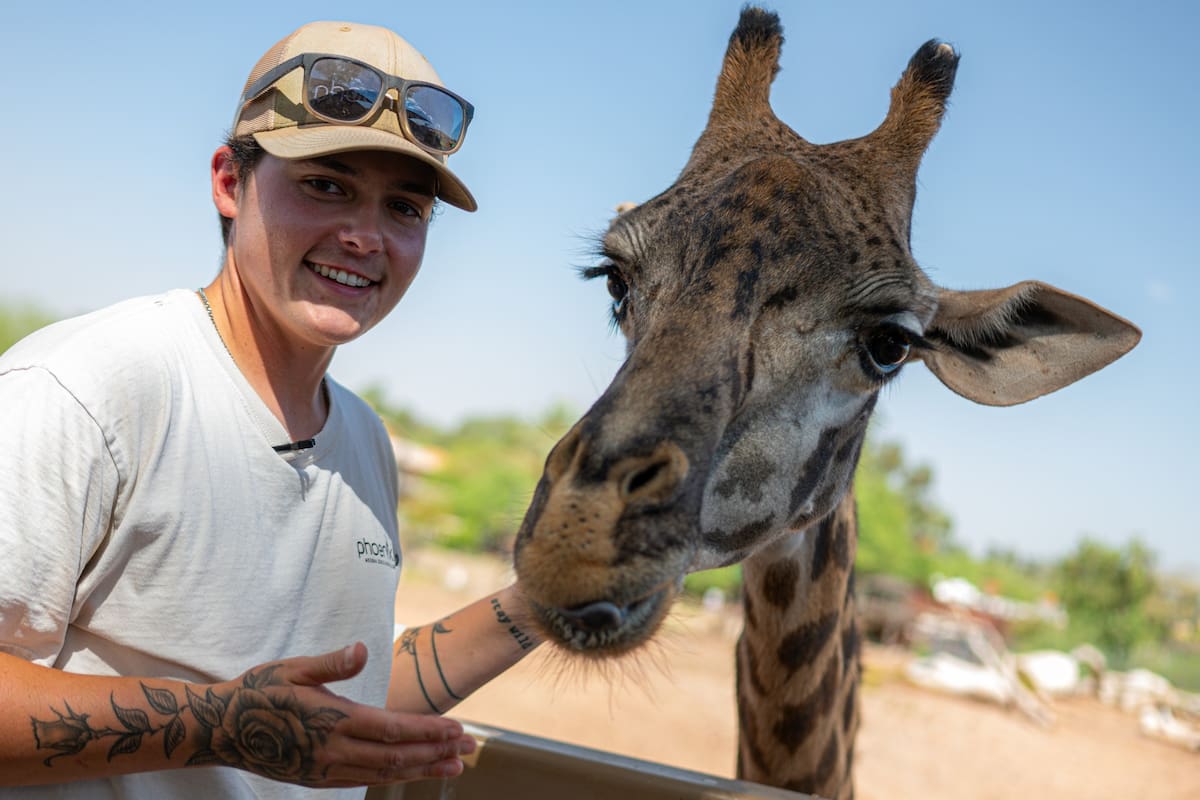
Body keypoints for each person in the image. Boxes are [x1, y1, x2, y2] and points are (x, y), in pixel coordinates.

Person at [0, 20, 541, 798]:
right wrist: (222, 725)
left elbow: (330, 713)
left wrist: (547, 605)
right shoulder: (89, 390)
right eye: (326, 186)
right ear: (229, 181)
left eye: (405, 208)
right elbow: (265, 726)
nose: (364, 236)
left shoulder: (365, 440)